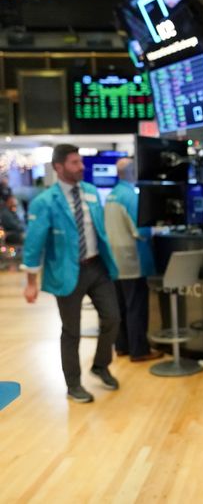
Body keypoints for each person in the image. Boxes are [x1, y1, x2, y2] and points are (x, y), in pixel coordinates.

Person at [22, 144, 121, 404]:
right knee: (71, 331)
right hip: (66, 271)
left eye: (81, 162)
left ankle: (100, 365)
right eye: (75, 163)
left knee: (113, 318)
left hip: (97, 266)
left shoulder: (89, 192)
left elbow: (98, 230)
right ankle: (73, 384)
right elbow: (34, 243)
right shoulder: (44, 202)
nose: (81, 167)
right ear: (59, 167)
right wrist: (30, 281)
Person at [104, 157, 163, 362]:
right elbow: (142, 230)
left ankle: (122, 346)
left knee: (121, 306)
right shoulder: (131, 197)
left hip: (115, 261)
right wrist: (158, 227)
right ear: (133, 172)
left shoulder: (112, 195)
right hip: (132, 260)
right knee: (136, 306)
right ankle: (139, 350)